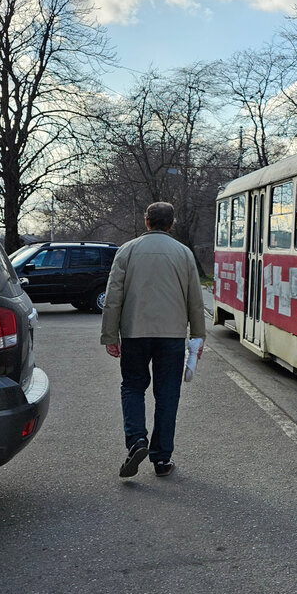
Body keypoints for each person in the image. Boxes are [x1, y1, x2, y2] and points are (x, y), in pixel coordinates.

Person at [101, 201, 206, 479]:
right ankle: (162, 459)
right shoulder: (183, 253)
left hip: (134, 333)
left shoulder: (127, 250)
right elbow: (195, 300)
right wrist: (197, 337)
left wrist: (110, 335)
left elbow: (113, 297)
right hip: (172, 336)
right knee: (168, 394)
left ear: (146, 221)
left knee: (132, 387)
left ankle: (137, 440)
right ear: (171, 224)